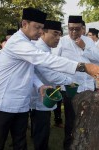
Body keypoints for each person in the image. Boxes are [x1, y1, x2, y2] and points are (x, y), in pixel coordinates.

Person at [0, 7, 99, 150]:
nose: (40, 32)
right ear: (24, 24)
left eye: (42, 28)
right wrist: (83, 67)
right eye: (37, 27)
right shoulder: (18, 42)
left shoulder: (29, 43)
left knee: (20, 143)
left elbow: (30, 72)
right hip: (5, 103)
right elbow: (45, 60)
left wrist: (39, 86)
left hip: (22, 104)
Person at [53, 15, 99, 150]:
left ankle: (83, 145)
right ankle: (68, 146)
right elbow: (54, 61)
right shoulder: (62, 42)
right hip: (70, 88)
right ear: (67, 28)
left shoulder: (89, 41)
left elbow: (98, 58)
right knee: (71, 120)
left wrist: (84, 47)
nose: (74, 32)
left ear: (82, 29)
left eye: (77, 29)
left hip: (87, 87)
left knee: (86, 118)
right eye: (71, 29)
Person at [30, 20, 72, 150]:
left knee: (42, 132)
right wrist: (70, 81)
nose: (58, 38)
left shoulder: (46, 49)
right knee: (41, 134)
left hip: (45, 97)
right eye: (55, 34)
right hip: (39, 99)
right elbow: (50, 75)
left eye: (60, 34)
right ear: (43, 32)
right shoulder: (39, 50)